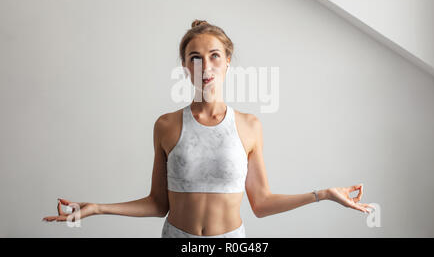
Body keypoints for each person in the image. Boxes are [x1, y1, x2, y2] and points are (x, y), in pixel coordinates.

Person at [42, 19, 375, 237]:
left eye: (214, 55)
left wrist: (324, 195)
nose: (205, 65)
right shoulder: (167, 125)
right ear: (185, 66)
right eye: (195, 57)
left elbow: (261, 203)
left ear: (228, 61)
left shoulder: (249, 125)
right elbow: (159, 204)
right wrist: (97, 208)